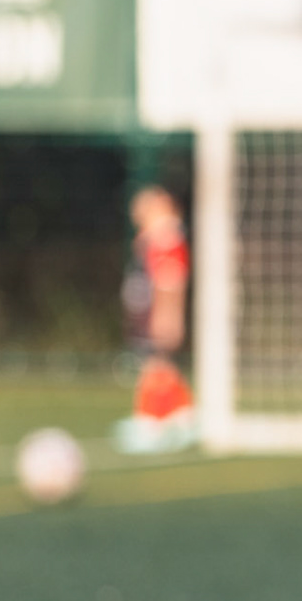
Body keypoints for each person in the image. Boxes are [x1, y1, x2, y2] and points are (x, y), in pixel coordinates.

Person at [117, 184, 195, 452]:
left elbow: (170, 284)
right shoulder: (149, 242)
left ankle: (149, 424)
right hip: (145, 316)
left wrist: (168, 317)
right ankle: (182, 418)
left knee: (153, 370)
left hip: (157, 318)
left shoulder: (166, 241)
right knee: (162, 369)